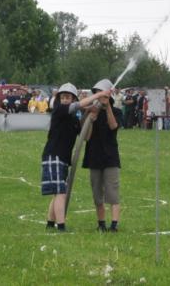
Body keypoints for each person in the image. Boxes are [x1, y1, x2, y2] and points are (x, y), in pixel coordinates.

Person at [41, 83, 109, 232]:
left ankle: (50, 224)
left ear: (72, 98)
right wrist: (98, 95)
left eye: (68, 97)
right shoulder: (59, 110)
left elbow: (87, 135)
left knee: (57, 192)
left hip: (63, 159)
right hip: (54, 156)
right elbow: (77, 106)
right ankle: (61, 226)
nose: (65, 99)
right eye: (63, 97)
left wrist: (90, 116)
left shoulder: (72, 119)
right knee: (60, 193)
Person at [82, 79, 124, 232]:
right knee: (97, 194)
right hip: (94, 157)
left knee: (112, 192)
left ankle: (114, 224)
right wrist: (91, 120)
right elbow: (86, 137)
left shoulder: (116, 111)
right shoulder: (90, 111)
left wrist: (107, 109)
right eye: (96, 94)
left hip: (110, 157)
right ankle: (101, 224)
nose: (98, 97)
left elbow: (113, 126)